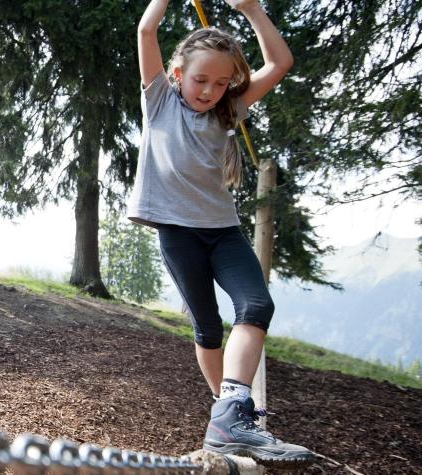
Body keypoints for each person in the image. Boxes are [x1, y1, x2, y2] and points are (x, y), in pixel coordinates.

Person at [130, 0, 313, 465]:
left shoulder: (229, 108)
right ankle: (229, 416)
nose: (210, 90)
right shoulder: (159, 100)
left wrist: (251, 8)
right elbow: (147, 30)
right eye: (200, 79)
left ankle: (231, 413)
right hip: (179, 234)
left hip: (223, 231)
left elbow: (280, 64)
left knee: (256, 305)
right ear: (177, 74)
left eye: (220, 82)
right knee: (208, 327)